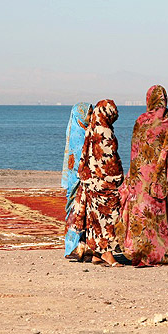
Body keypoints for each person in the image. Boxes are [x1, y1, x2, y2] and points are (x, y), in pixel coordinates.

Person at [115, 85, 168, 266]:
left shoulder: (142, 120)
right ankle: (166, 250)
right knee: (163, 213)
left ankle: (143, 250)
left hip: (142, 175)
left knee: (143, 213)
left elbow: (135, 150)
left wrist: (132, 177)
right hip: (164, 175)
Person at [66, 99, 124, 267]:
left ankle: (97, 254)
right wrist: (118, 177)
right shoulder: (104, 131)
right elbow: (108, 160)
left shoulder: (90, 129)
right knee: (108, 218)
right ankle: (108, 254)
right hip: (104, 183)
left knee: (95, 219)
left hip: (91, 183)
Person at [61, 103, 93, 259]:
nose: (91, 117)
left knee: (83, 213)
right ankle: (72, 247)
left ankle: (83, 247)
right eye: (89, 114)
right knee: (76, 211)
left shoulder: (84, 132)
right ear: (81, 116)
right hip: (77, 181)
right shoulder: (78, 136)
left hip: (83, 179)